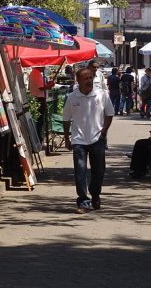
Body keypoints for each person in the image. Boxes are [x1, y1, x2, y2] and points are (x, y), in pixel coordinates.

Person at [63, 67, 114, 213]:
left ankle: (95, 194)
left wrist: (104, 132)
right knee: (80, 171)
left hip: (97, 138)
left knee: (99, 171)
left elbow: (109, 113)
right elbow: (66, 119)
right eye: (85, 78)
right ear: (78, 81)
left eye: (90, 77)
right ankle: (83, 201)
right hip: (79, 140)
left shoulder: (102, 94)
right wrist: (67, 138)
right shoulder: (72, 97)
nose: (89, 81)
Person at [28, 67, 54, 137]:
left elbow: (41, 86)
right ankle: (39, 137)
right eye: (43, 66)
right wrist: (49, 86)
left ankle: (39, 136)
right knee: (40, 120)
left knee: (40, 119)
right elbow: (41, 87)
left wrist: (48, 84)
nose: (44, 67)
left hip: (39, 98)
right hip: (39, 99)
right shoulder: (36, 73)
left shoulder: (35, 73)